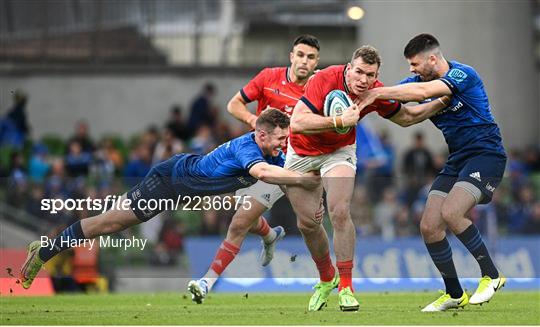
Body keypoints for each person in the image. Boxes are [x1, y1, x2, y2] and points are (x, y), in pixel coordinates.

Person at [19, 109, 320, 290]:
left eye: (286, 137)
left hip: (197, 191)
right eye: (280, 138)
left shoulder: (273, 151)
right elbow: (266, 174)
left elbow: (291, 172)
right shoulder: (249, 151)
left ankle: (269, 236)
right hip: (168, 182)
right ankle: (44, 252)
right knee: (107, 224)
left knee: (240, 211)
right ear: (261, 135)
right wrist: (304, 180)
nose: (285, 143)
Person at [287, 45, 449, 312]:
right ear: (349, 68)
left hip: (339, 152)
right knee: (307, 224)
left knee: (339, 212)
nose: (363, 80)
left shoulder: (375, 93)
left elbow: (407, 118)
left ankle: (347, 287)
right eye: (359, 72)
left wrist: (442, 101)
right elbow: (298, 122)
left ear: (377, 76)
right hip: (301, 152)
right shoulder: (324, 78)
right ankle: (327, 278)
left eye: (370, 75)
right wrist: (339, 120)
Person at [356, 34, 507, 312]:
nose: (411, 70)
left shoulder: (463, 74)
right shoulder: (416, 83)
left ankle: (492, 275)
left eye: (414, 64)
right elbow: (406, 115)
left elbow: (419, 94)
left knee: (452, 212)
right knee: (429, 226)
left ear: (433, 59)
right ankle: (454, 293)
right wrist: (366, 99)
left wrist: (377, 93)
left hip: (486, 155)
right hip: (457, 160)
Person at [187, 34, 321, 303]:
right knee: (241, 219)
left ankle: (206, 283)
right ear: (291, 56)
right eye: (301, 55)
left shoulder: (319, 88)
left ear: (316, 61)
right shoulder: (268, 77)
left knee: (248, 222)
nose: (305, 61)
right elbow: (233, 104)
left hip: (289, 166)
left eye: (311, 57)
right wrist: (253, 119)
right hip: (256, 160)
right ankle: (270, 235)